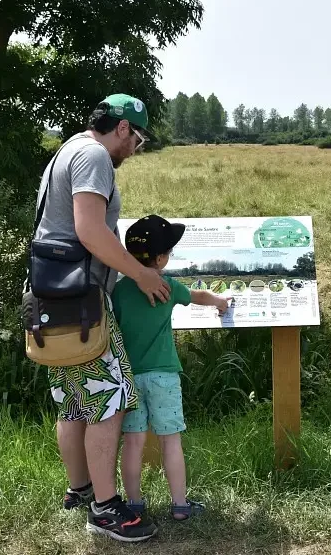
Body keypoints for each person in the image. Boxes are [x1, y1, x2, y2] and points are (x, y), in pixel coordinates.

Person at [35, 93, 169, 543]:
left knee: (73, 400)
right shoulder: (94, 156)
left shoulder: (67, 149)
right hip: (83, 301)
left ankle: (80, 489)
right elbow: (90, 230)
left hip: (51, 298)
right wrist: (142, 274)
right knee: (107, 400)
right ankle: (107, 509)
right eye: (139, 139)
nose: (136, 150)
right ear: (124, 128)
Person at [112, 215, 231, 520]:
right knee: (171, 439)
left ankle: (134, 503)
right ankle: (180, 505)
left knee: (133, 441)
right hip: (164, 374)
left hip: (129, 376)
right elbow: (199, 296)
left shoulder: (120, 291)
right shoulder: (168, 286)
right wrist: (221, 302)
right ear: (161, 258)